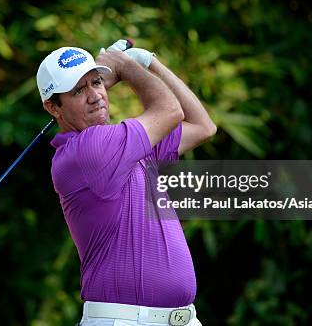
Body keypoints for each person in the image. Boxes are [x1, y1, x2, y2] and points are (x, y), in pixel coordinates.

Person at [36, 40, 216, 326]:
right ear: (53, 107)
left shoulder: (124, 146)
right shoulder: (87, 150)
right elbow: (169, 111)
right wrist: (127, 66)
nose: (95, 96)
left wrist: (151, 62)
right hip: (124, 319)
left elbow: (203, 126)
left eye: (97, 82)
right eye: (78, 91)